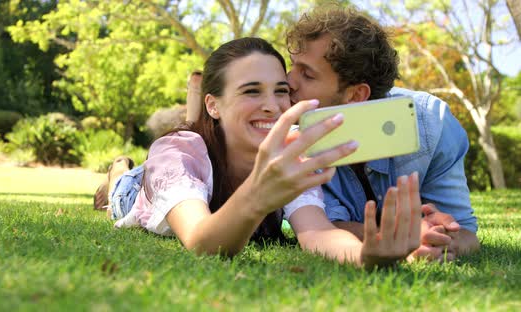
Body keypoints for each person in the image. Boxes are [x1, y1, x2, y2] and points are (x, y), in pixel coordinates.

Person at [185, 6, 480, 263]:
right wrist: (404, 234)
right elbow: (324, 227)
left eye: (307, 74)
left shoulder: (433, 126)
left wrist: (439, 241)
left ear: (355, 94)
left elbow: (464, 230)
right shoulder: (297, 141)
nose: (288, 82)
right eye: (293, 66)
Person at [108, 37, 422, 268]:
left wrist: (364, 256)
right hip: (138, 192)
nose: (272, 106)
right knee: (120, 189)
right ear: (213, 104)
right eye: (252, 91)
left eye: (281, 91)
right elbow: (200, 241)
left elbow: (317, 234)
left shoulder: (292, 154)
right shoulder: (178, 152)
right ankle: (117, 171)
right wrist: (259, 193)